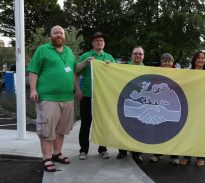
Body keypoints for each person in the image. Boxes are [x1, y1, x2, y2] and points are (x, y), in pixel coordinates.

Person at [28, 25, 77, 172]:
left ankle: (57, 153)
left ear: (64, 36)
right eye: (55, 33)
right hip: (49, 98)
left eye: (61, 33)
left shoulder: (69, 52)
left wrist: (87, 62)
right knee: (47, 130)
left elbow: (74, 70)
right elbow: (33, 70)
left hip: (67, 98)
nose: (58, 35)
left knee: (61, 130)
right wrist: (33, 89)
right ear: (51, 35)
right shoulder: (42, 50)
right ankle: (47, 158)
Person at [75, 32, 115, 160]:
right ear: (92, 43)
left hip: (102, 96)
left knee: (102, 123)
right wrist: (78, 89)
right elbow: (76, 71)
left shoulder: (109, 57)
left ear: (104, 43)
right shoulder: (86, 56)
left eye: (101, 40)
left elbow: (116, 74)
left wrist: (111, 67)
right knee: (86, 124)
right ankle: (83, 150)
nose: (99, 42)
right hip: (87, 95)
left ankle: (102, 149)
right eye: (97, 40)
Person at [149, 53, 180, 165]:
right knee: (159, 129)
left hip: (172, 106)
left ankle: (174, 155)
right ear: (161, 62)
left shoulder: (179, 73)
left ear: (172, 62)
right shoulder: (156, 73)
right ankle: (157, 153)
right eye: (165, 61)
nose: (167, 63)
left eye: (169, 61)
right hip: (159, 105)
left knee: (173, 130)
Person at [117, 46, 145, 163]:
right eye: (135, 53)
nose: (138, 55)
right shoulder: (124, 68)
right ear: (132, 55)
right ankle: (122, 151)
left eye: (140, 54)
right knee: (124, 126)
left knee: (138, 128)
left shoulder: (148, 69)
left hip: (140, 104)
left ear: (143, 56)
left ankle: (136, 153)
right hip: (126, 101)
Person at [179, 50, 205, 167]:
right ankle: (187, 156)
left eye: (203, 58)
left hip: (202, 108)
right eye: (199, 58)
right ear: (194, 59)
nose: (201, 60)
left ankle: (200, 157)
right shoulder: (188, 73)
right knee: (188, 131)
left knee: (201, 132)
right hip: (189, 106)